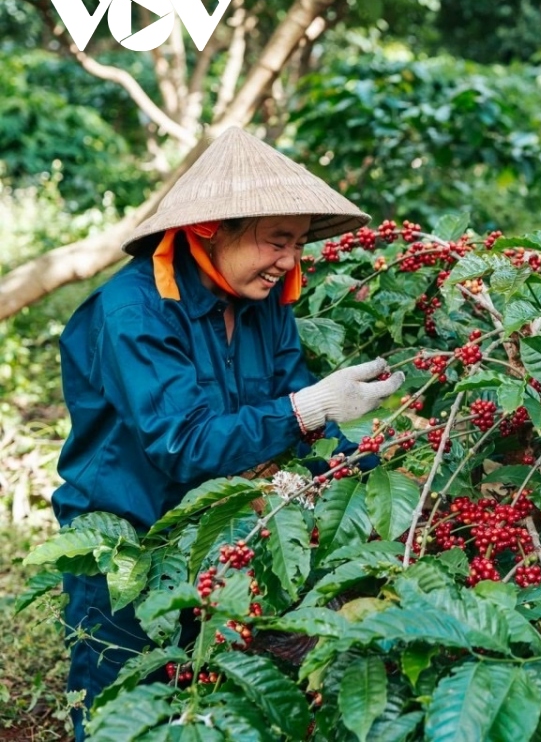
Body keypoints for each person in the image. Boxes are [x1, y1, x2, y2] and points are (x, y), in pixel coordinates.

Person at [53, 127, 404, 739]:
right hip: (127, 544)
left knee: (215, 702)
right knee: (121, 709)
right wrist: (309, 408)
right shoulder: (134, 311)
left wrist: (373, 477)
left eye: (296, 243)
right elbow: (185, 444)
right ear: (211, 229)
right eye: (276, 241)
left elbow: (300, 416)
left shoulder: (264, 304)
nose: (290, 260)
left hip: (220, 536)